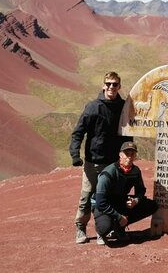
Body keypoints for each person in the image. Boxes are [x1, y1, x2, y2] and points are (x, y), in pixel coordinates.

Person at [69, 71, 132, 245]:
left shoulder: (123, 107)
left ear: (119, 86)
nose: (112, 87)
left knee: (108, 197)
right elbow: (78, 133)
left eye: (115, 84)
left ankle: (103, 229)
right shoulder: (93, 107)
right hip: (93, 161)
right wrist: (75, 154)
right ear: (103, 85)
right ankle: (80, 227)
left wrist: (128, 155)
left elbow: (127, 134)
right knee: (87, 196)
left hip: (113, 163)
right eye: (109, 84)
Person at [93, 141, 158, 246]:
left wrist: (135, 201)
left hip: (121, 201)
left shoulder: (135, 171)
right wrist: (119, 217)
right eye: (126, 154)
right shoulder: (108, 173)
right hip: (105, 205)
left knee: (152, 205)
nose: (129, 157)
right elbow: (100, 202)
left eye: (132, 154)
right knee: (104, 227)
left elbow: (141, 190)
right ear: (120, 155)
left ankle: (118, 228)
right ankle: (102, 231)